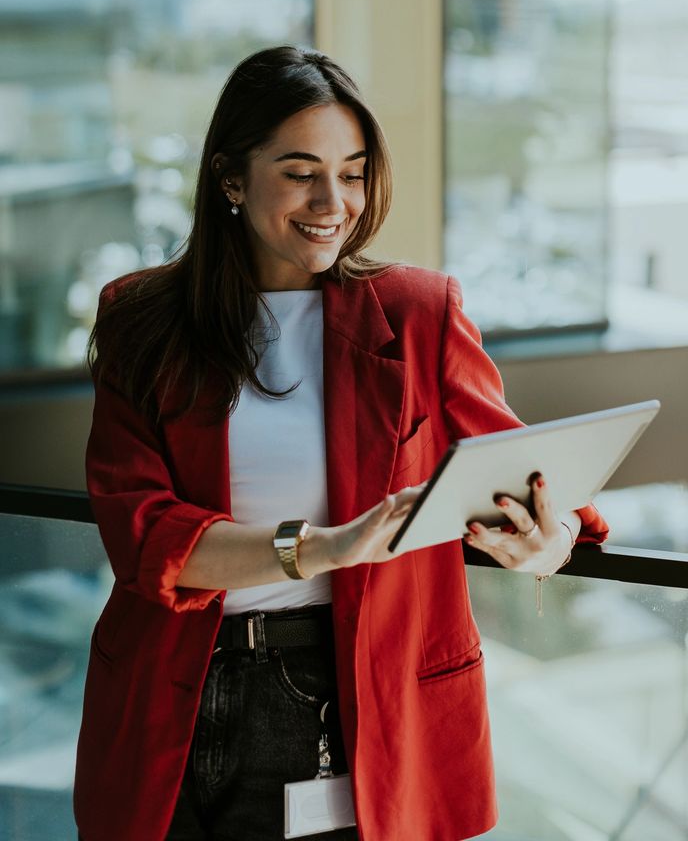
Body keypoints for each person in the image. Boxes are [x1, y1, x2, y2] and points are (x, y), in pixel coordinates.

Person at [73, 46, 609, 841]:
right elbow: (143, 535)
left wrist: (544, 542)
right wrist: (324, 546)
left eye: (353, 172)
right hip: (167, 695)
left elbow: (531, 481)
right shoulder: (141, 319)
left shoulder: (419, 313)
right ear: (229, 176)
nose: (334, 200)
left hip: (342, 693)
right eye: (300, 171)